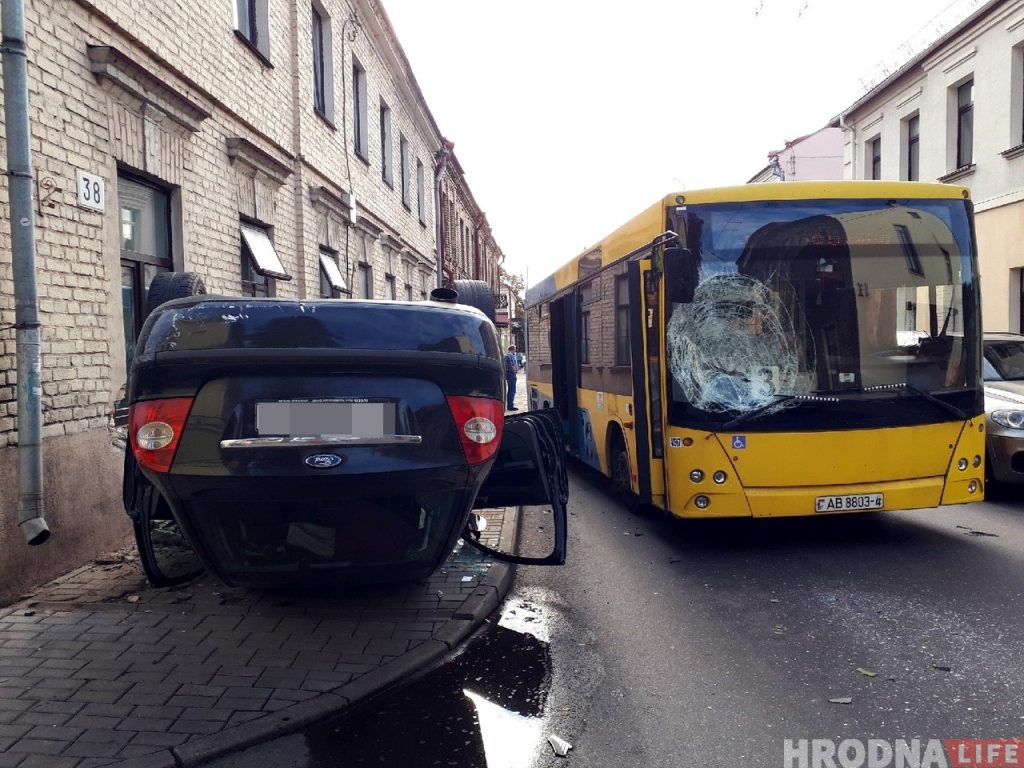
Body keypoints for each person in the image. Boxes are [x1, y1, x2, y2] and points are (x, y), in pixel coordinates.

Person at [504, 344, 519, 411]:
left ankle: (509, 405)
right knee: (512, 390)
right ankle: (510, 406)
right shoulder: (510, 355)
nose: (515, 351)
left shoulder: (507, 355)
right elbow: (511, 365)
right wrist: (514, 373)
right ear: (513, 349)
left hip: (509, 374)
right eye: (515, 349)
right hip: (511, 374)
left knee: (510, 390)